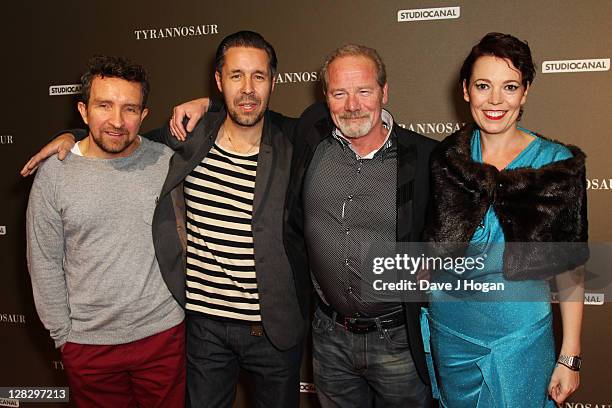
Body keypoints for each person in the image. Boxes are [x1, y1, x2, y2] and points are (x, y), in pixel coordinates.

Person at [23, 31, 310, 408]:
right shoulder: (187, 142)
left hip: (258, 332)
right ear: (219, 80)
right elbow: (115, 139)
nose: (248, 88)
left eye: (258, 76)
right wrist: (70, 137)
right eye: (236, 76)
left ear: (273, 82)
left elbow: (333, 115)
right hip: (200, 332)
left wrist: (211, 102)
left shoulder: (290, 142)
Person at [170, 44, 436, 408]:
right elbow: (251, 110)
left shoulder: (425, 158)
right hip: (329, 339)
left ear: (384, 92)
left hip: (397, 339)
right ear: (325, 98)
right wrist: (209, 105)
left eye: (364, 91)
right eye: (339, 93)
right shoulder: (311, 137)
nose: (352, 105)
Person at [420, 32, 587, 407]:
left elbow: (570, 268)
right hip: (450, 330)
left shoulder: (555, 164)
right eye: (483, 86)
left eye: (509, 86)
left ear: (525, 92)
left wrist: (570, 355)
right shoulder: (448, 158)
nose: (495, 100)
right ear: (466, 90)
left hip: (519, 336)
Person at [26, 55, 186, 407]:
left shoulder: (164, 161)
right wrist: (64, 336)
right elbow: (44, 260)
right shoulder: (54, 174)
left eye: (129, 109)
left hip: (162, 336)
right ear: (83, 111)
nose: (117, 121)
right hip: (88, 345)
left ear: (144, 115)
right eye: (104, 106)